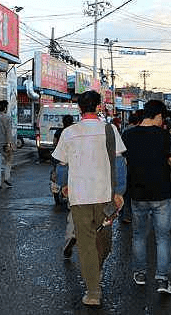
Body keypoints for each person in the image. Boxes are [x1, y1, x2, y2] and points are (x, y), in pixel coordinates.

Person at [52, 90, 125, 307]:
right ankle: (94, 290)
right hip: (96, 197)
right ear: (99, 107)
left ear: (79, 108)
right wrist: (119, 191)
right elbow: (120, 163)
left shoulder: (73, 132)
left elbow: (61, 164)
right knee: (92, 243)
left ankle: (94, 272)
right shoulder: (108, 130)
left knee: (98, 244)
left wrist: (63, 185)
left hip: (91, 197)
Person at [123, 100, 171, 294]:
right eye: (162, 117)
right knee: (162, 237)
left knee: (139, 235)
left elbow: (125, 162)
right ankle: (162, 280)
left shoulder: (128, 135)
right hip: (161, 194)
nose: (162, 121)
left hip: (138, 194)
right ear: (157, 116)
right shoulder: (164, 135)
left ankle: (140, 274)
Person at [53, 115, 76, 259]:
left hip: (70, 175)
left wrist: (63, 184)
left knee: (73, 212)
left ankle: (71, 237)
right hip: (90, 180)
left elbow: (61, 164)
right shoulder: (76, 132)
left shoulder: (62, 132)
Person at [120, 112, 141, 224]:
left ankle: (125, 214)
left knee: (126, 192)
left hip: (126, 165)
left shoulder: (125, 132)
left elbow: (121, 151)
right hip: (138, 166)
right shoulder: (140, 133)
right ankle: (137, 215)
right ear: (138, 121)